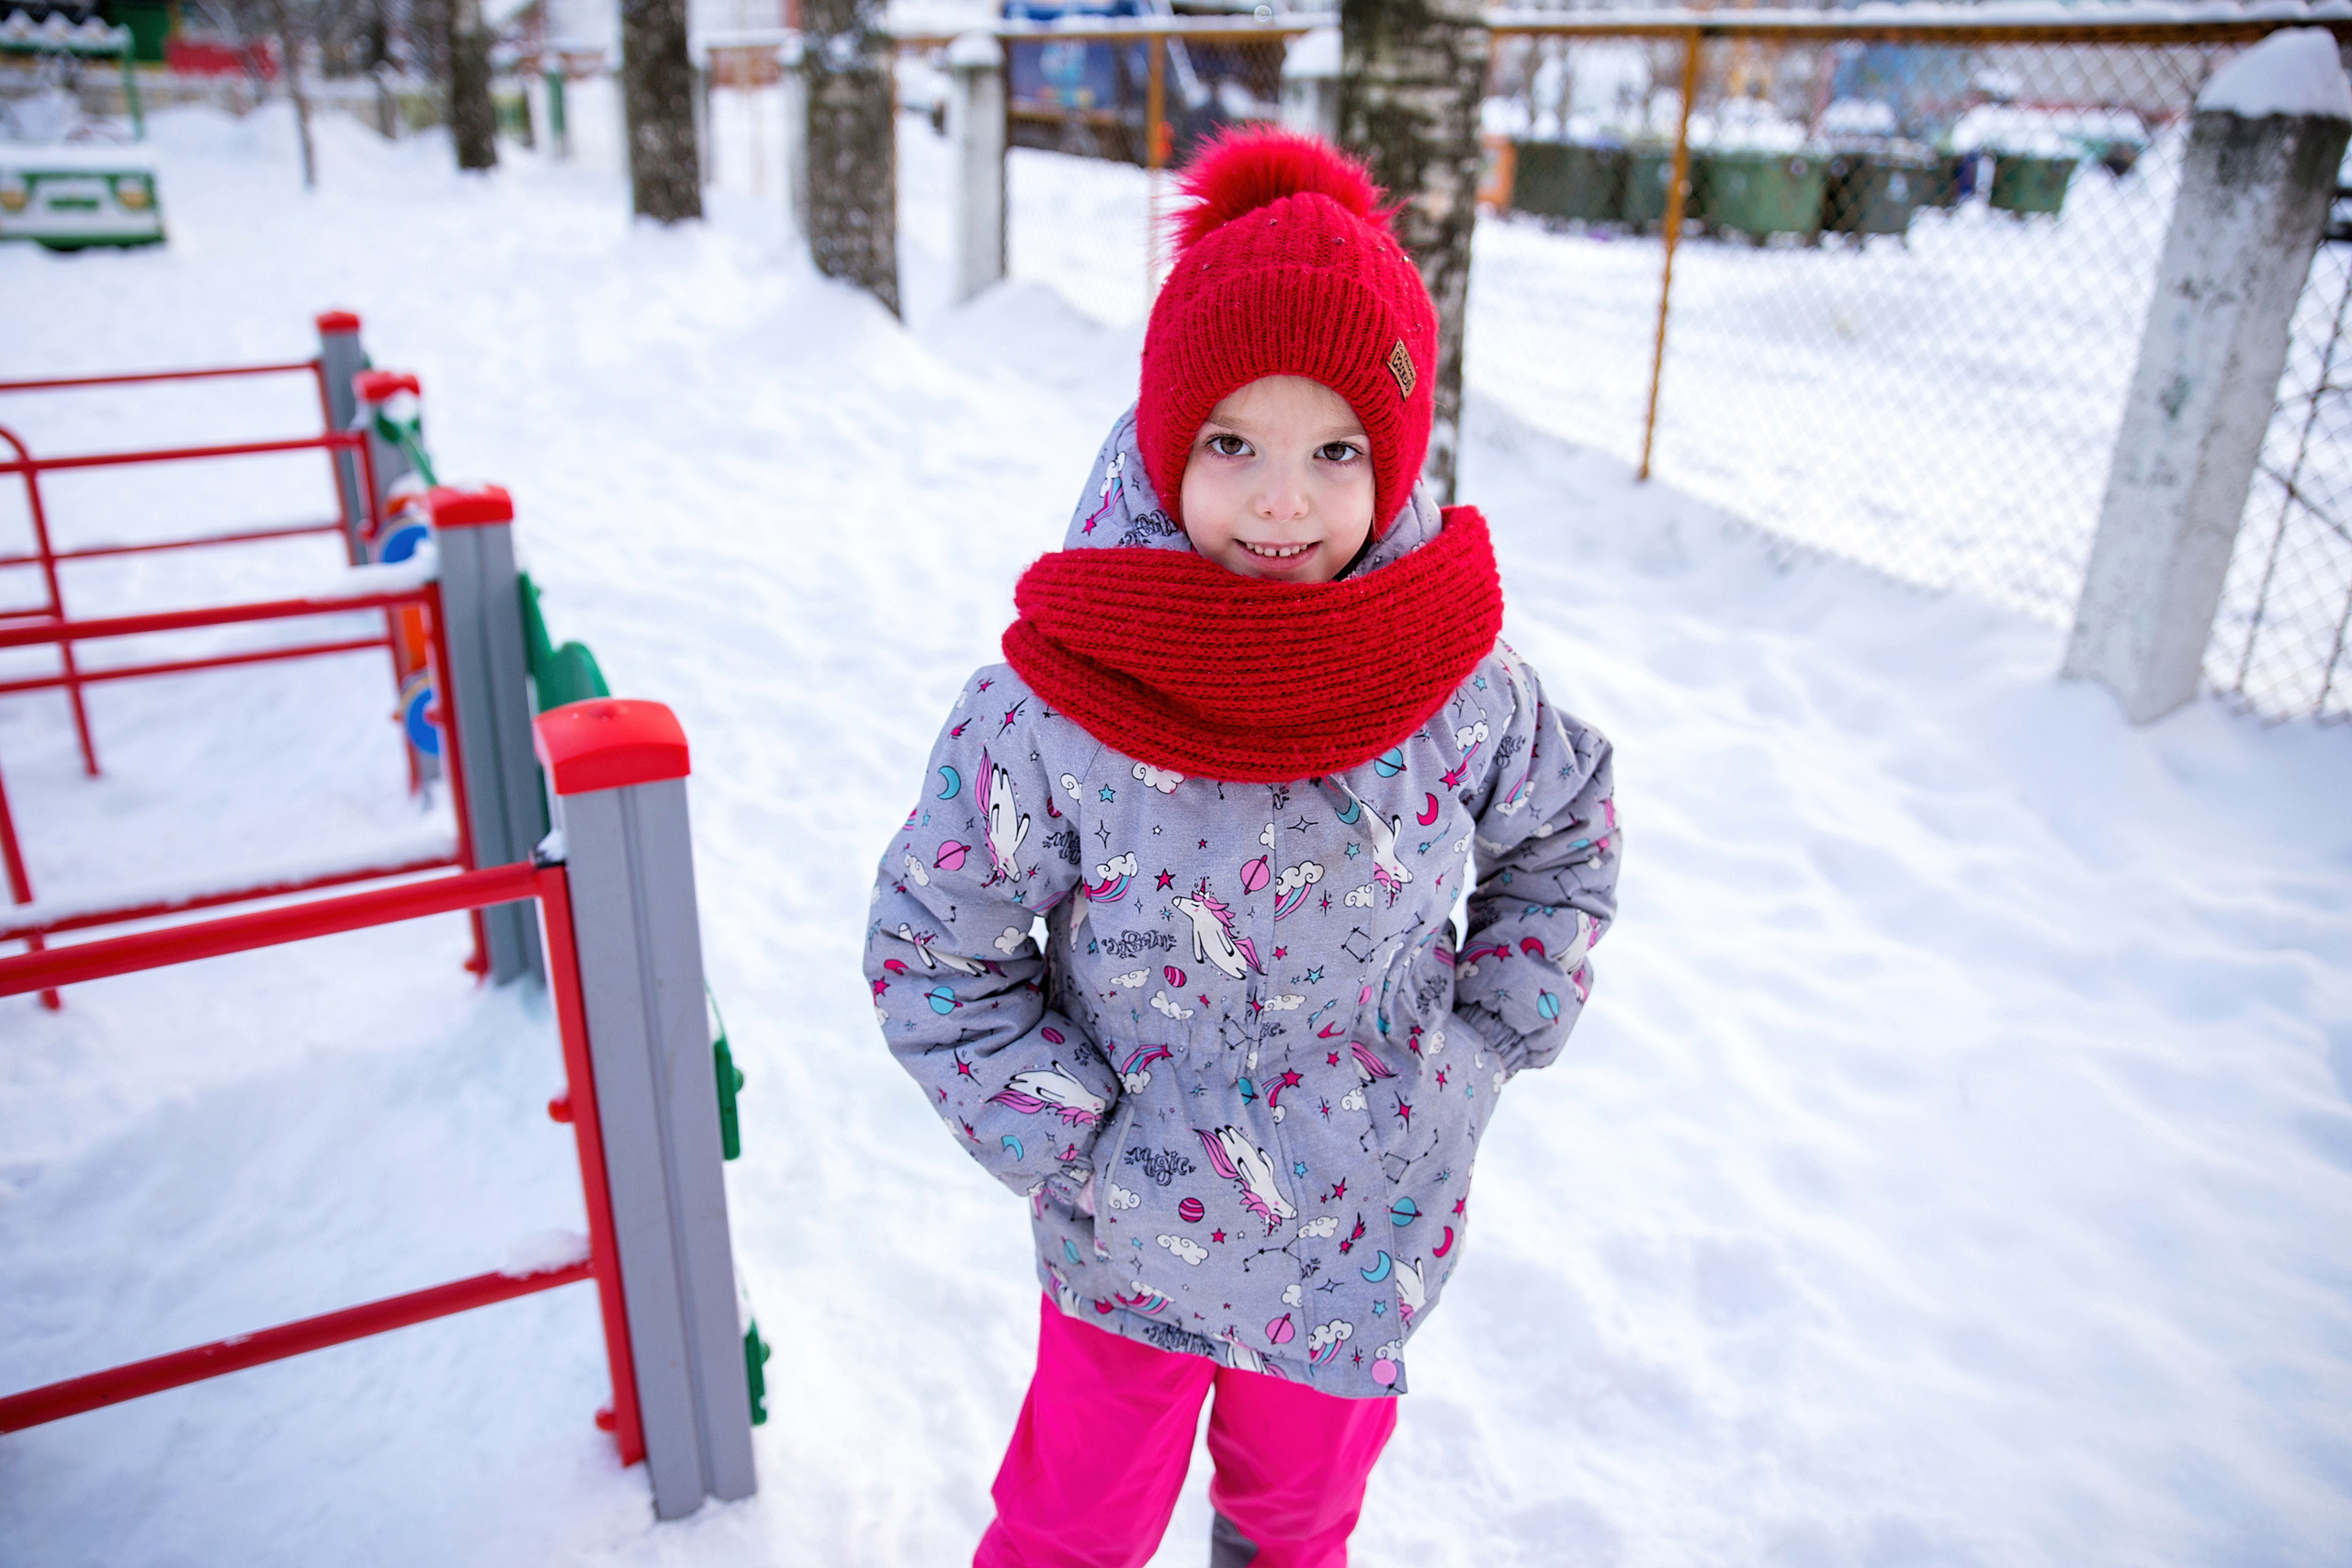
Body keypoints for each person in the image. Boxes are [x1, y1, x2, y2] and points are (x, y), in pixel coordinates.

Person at [864, 128, 1620, 1568]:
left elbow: (1563, 832)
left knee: (1294, 1527)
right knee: (1072, 1532)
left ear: (1393, 463)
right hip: (1125, 1259)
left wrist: (1482, 1044)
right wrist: (1076, 1145)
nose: (1285, 503)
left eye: (1337, 452)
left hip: (1356, 1233)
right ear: (1164, 443)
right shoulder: (1062, 707)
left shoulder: (1453, 683)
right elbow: (931, 942)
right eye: (1235, 446)